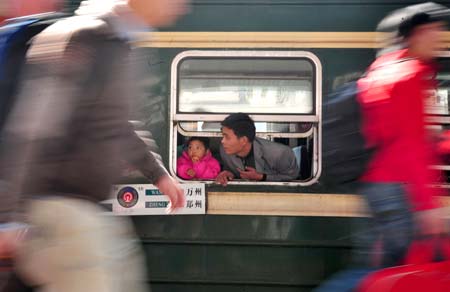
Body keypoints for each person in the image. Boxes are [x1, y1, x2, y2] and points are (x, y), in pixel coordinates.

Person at [0, 0, 189, 291]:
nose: (181, 7)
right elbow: (35, 126)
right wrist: (11, 217)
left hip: (88, 209)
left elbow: (115, 123)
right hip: (60, 209)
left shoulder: (119, 44)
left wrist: (160, 175)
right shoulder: (86, 38)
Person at [315, 2, 450, 292]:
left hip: (378, 187)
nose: (440, 37)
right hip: (398, 189)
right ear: (417, 33)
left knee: (378, 268)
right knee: (391, 271)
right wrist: (429, 207)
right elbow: (409, 146)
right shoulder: (410, 76)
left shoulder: (385, 68)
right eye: (435, 30)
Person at [215, 113, 299, 186]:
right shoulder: (225, 150)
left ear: (243, 140)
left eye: (227, 137)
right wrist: (229, 173)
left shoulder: (280, 153)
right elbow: (231, 170)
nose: (222, 141)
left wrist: (261, 177)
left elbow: (292, 178)